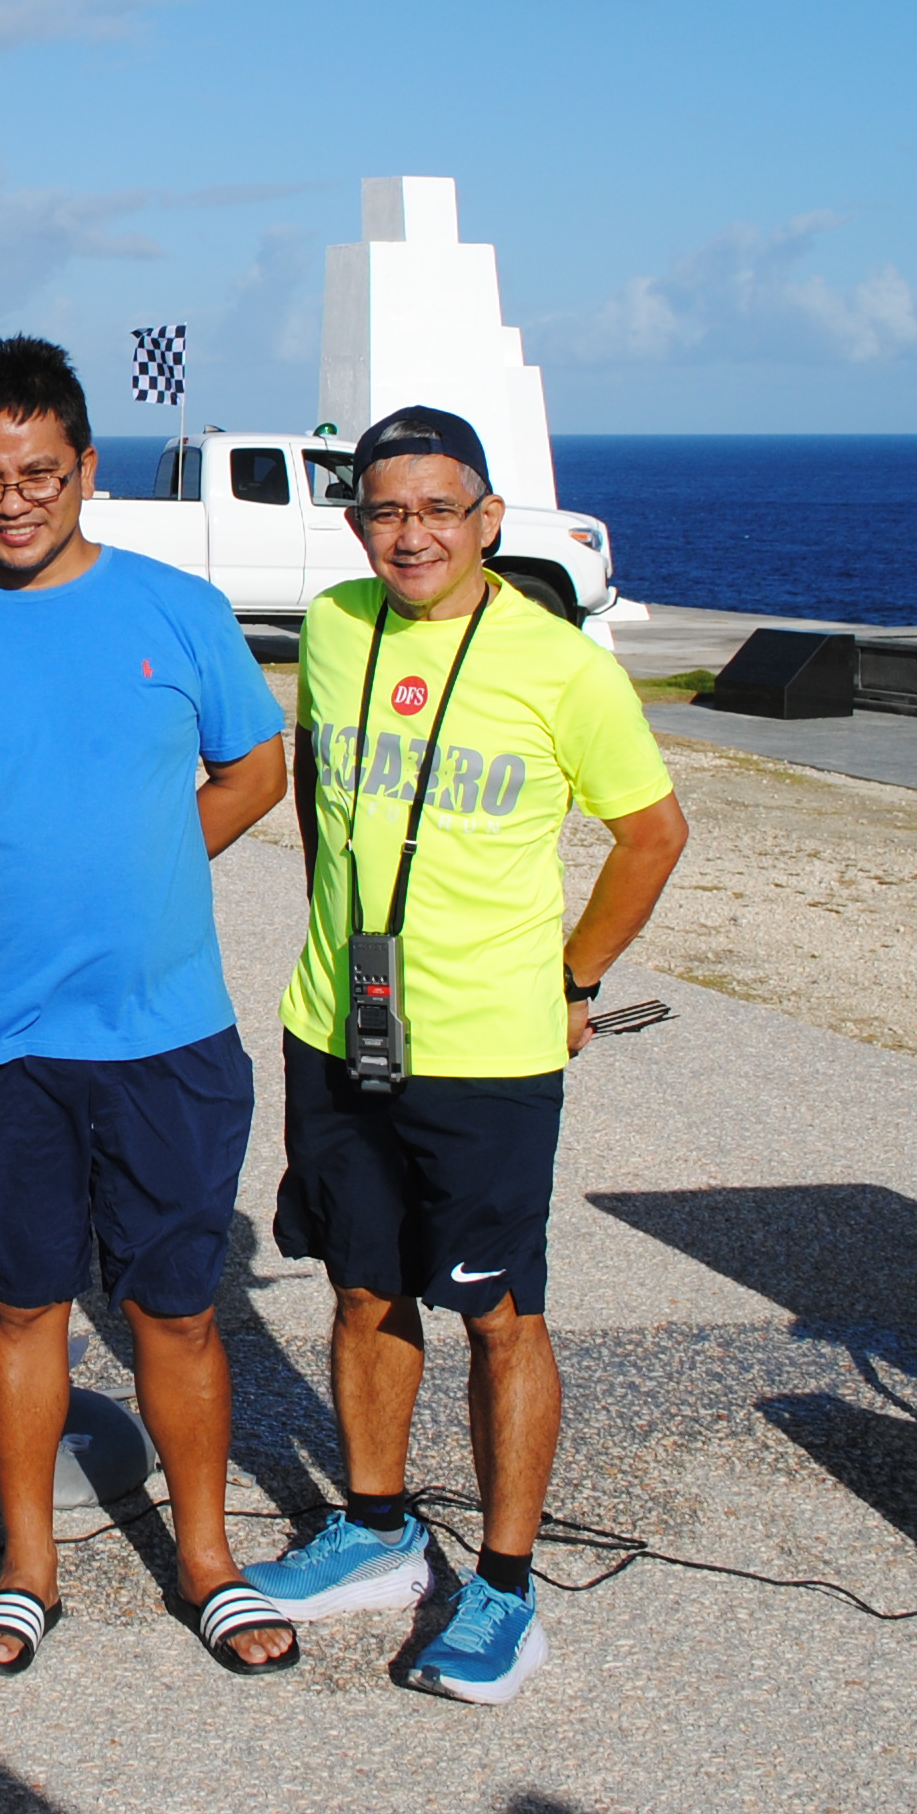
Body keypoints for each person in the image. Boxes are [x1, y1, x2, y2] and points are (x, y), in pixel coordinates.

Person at [0, 336, 295, 1679]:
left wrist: (150, 855)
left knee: (178, 1309)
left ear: (86, 469)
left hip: (166, 1039)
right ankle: (27, 1568)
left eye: (40, 470)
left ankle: (208, 1558)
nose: (14, 498)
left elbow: (256, 769)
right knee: (23, 1309)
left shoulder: (177, 610)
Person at [241, 404, 687, 1706]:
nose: (413, 532)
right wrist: (345, 926)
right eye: (388, 510)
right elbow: (328, 799)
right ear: (356, 522)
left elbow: (652, 833)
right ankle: (376, 1530)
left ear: (490, 520)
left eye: (441, 509)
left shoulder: (563, 666)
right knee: (363, 1285)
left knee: (500, 1314)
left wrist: (574, 982)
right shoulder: (332, 629)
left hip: (487, 1051)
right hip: (336, 1020)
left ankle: (501, 1589)